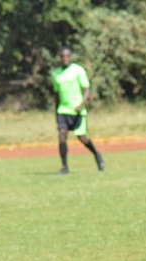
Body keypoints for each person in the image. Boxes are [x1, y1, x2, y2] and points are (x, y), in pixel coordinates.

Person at [51, 47, 104, 175]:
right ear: (60, 57)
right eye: (62, 56)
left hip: (77, 110)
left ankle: (97, 154)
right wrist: (56, 111)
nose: (65, 59)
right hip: (63, 110)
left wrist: (82, 104)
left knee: (82, 138)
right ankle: (64, 166)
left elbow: (86, 89)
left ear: (70, 57)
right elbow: (57, 94)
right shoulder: (56, 74)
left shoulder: (78, 70)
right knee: (62, 135)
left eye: (67, 56)